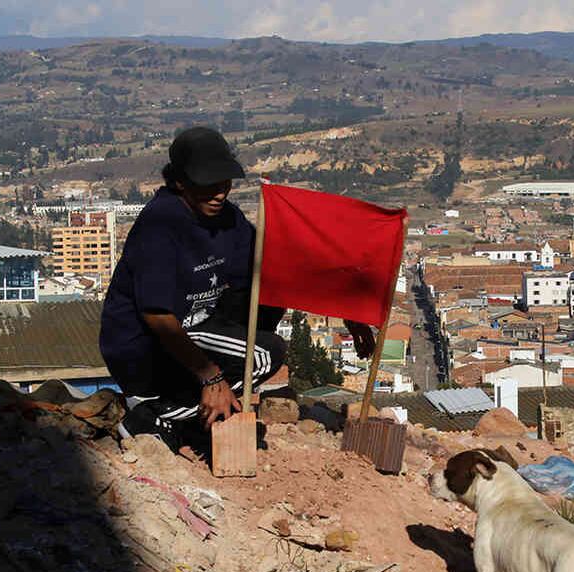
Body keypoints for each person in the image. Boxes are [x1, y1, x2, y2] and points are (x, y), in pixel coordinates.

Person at [99, 126, 375, 450]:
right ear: (179, 182)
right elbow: (157, 316)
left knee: (268, 298)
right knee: (264, 354)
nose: (219, 193)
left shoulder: (226, 220)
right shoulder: (161, 226)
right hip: (144, 347)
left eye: (223, 182)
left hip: (195, 330)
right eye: (207, 184)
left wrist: (346, 310)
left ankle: (195, 408)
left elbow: (275, 266)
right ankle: (158, 414)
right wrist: (211, 376)